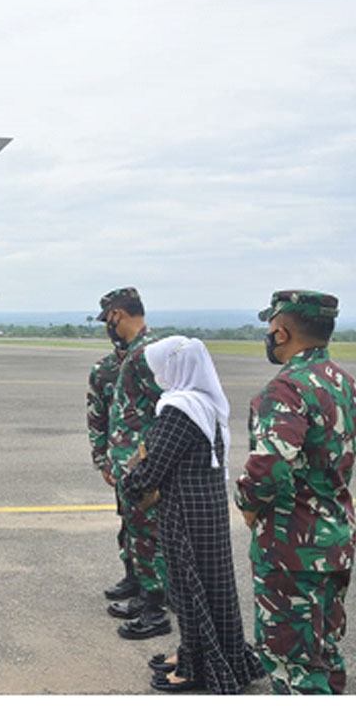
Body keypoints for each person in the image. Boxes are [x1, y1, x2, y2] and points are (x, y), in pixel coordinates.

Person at [122, 336, 263, 693]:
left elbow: (152, 468)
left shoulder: (178, 409)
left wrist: (129, 479)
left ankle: (198, 666)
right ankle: (199, 651)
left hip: (186, 511)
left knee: (189, 586)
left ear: (175, 368)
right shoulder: (203, 402)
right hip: (206, 507)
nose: (157, 375)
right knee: (212, 585)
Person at [234, 290, 355, 694]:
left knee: (292, 664)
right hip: (335, 540)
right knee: (323, 651)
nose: (268, 336)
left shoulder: (286, 389)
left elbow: (269, 467)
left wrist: (247, 503)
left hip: (291, 549)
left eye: (270, 328)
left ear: (282, 333)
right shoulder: (344, 383)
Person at [98, 287, 170, 639]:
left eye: (108, 318)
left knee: (149, 536)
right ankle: (145, 598)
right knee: (138, 534)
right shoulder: (137, 353)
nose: (107, 326)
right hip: (133, 466)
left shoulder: (149, 353)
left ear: (117, 314)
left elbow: (168, 412)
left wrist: (150, 462)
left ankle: (155, 609)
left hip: (147, 466)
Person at [88, 344, 136, 604]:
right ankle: (133, 577)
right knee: (128, 522)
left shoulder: (152, 362)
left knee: (157, 528)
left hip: (151, 460)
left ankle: (162, 586)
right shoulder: (103, 370)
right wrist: (101, 459)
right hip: (119, 460)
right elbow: (96, 416)